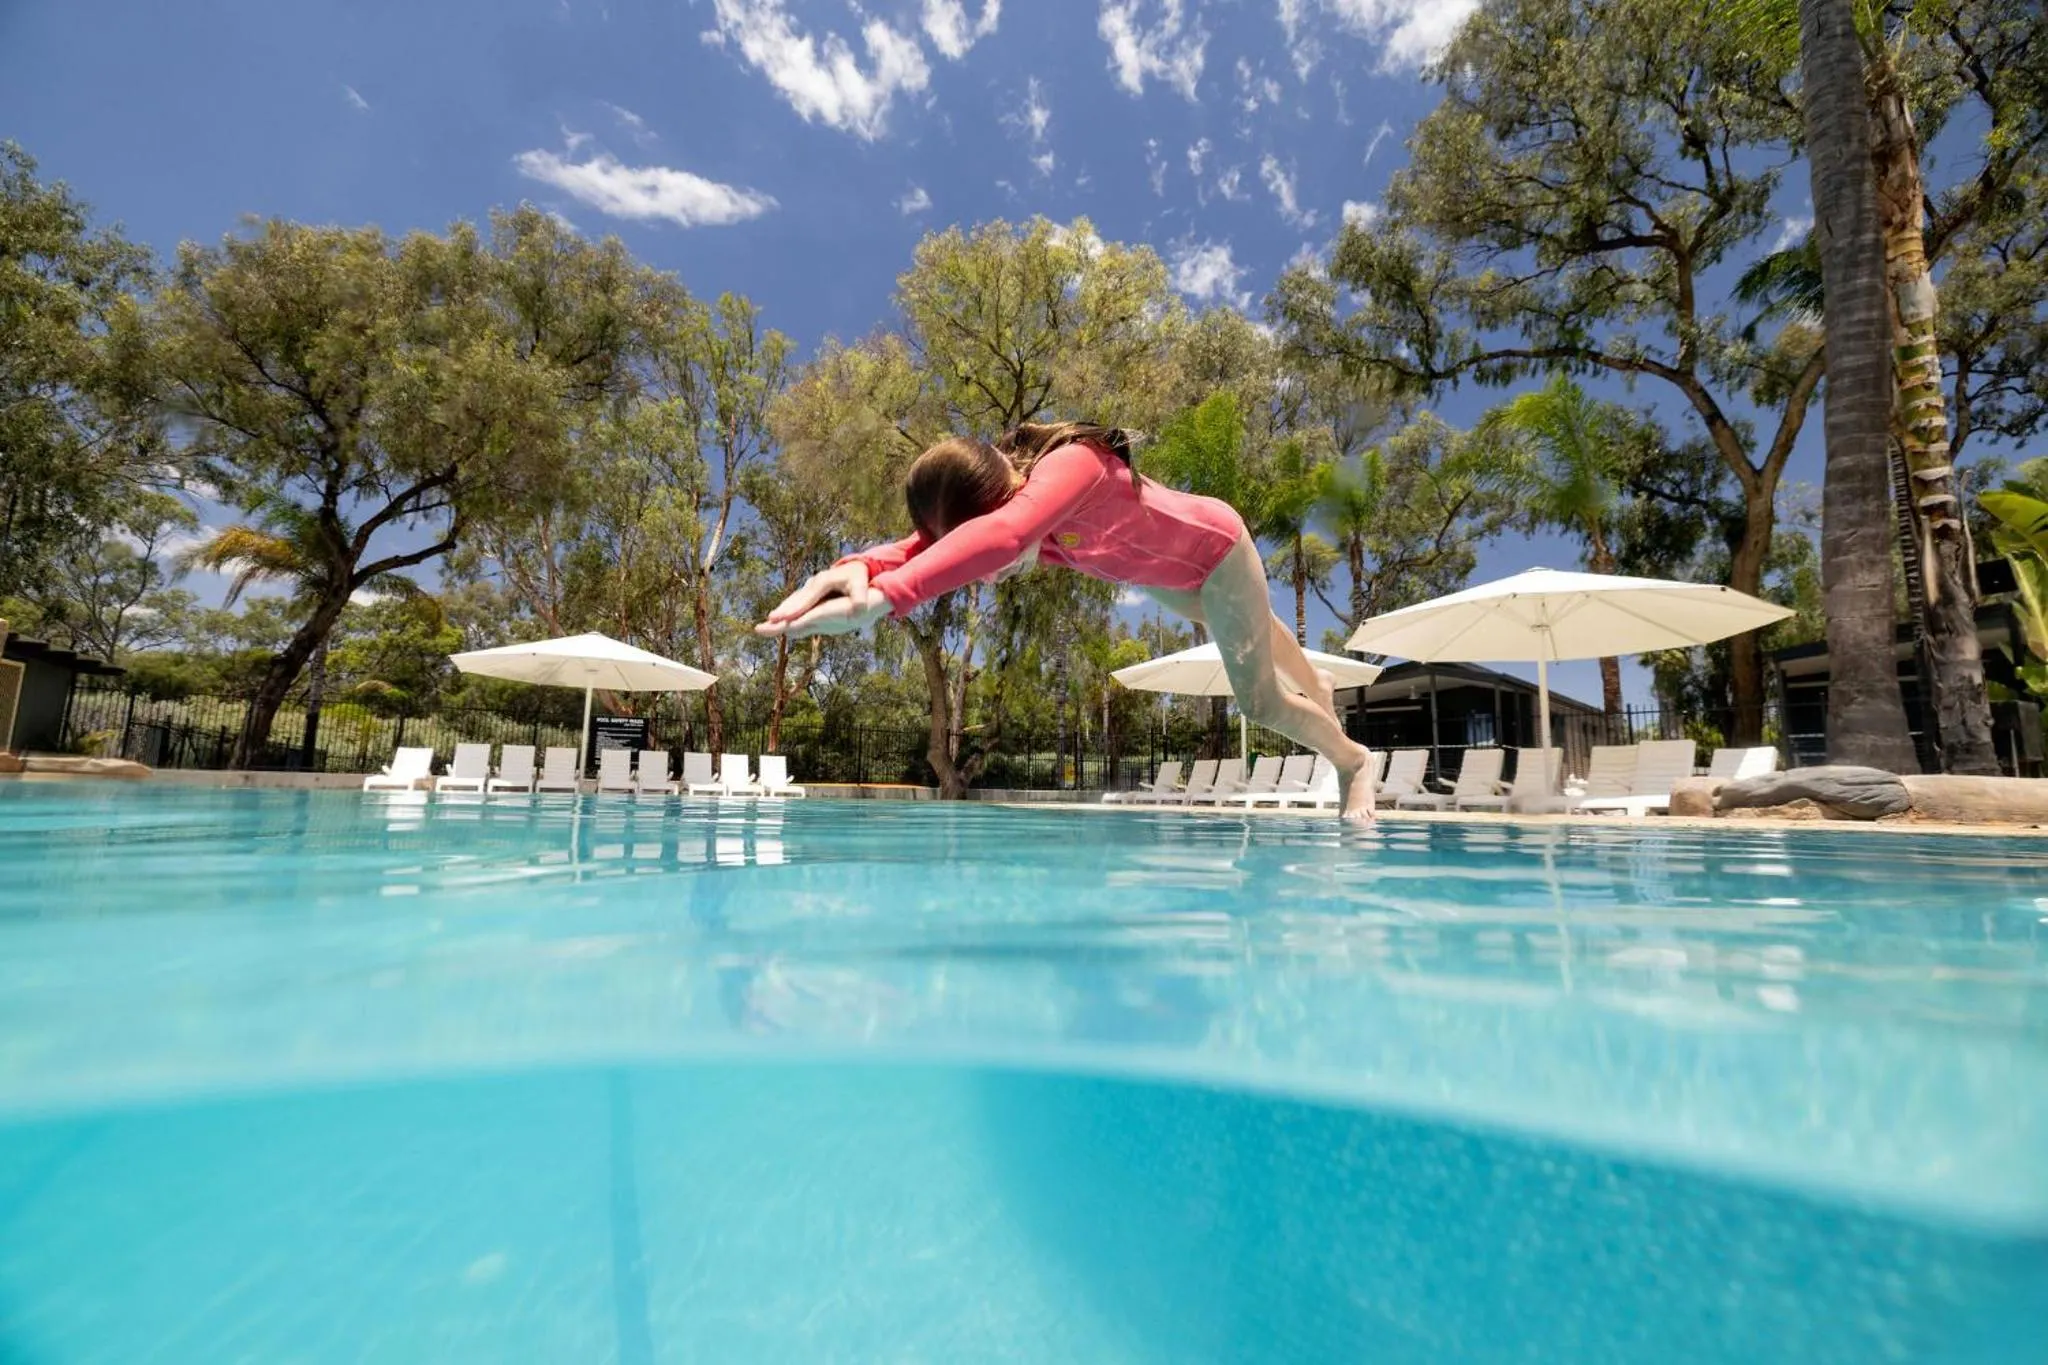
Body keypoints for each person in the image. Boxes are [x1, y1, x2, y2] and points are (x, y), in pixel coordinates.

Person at [755, 421, 1377, 820]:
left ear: (1017, 486)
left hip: (1214, 550)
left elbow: (1001, 533)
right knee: (1248, 625)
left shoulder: (1072, 464)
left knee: (1260, 703)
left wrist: (885, 598)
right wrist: (854, 564)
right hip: (1170, 582)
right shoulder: (1023, 509)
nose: (992, 576)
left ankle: (1353, 763)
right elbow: (925, 544)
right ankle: (1318, 686)